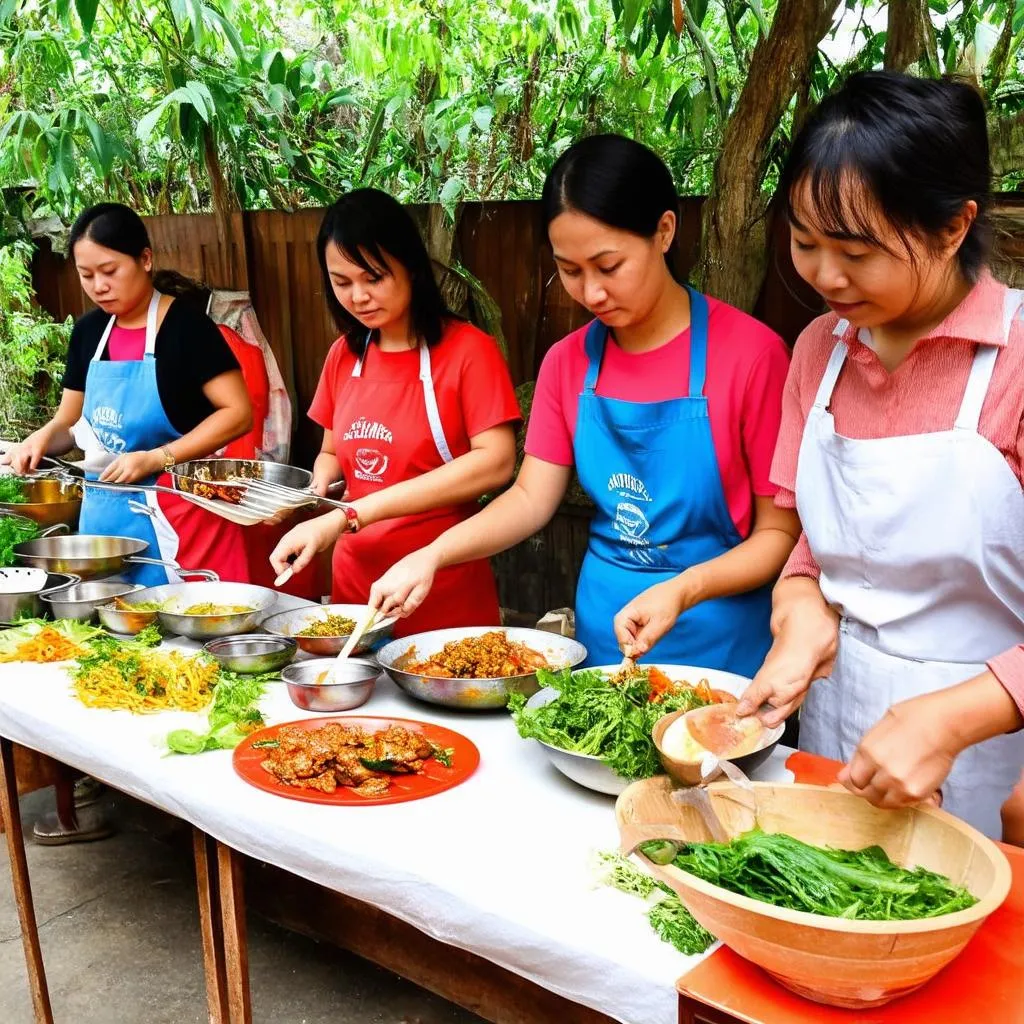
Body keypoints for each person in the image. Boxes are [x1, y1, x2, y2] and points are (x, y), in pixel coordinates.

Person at [367, 135, 796, 674]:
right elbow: (529, 499)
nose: (590, 292)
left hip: (723, 650)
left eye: (608, 266)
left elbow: (779, 533)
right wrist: (432, 554)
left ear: (664, 231)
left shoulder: (753, 357)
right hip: (605, 644)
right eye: (570, 270)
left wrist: (685, 589)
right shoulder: (567, 363)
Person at [734, 72, 1024, 840]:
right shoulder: (816, 354)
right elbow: (812, 551)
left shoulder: (1019, 362)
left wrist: (963, 715)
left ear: (954, 226)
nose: (825, 277)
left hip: (990, 751)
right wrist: (798, 619)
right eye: (804, 243)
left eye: (856, 252)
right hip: (838, 730)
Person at [269, 189, 520, 633]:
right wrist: (312, 490)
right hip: (355, 585)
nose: (358, 296)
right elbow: (331, 451)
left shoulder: (468, 351)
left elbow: (496, 463)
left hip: (440, 582)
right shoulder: (343, 356)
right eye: (341, 282)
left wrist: (349, 514)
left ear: (410, 266)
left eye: (373, 277)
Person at [3, 204, 252, 589]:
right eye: (86, 275)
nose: (98, 285)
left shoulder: (187, 327)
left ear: (145, 259)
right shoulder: (88, 333)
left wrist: (158, 457)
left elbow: (237, 414)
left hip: (181, 523)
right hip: (106, 525)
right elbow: (69, 424)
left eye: (109, 271)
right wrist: (38, 441)